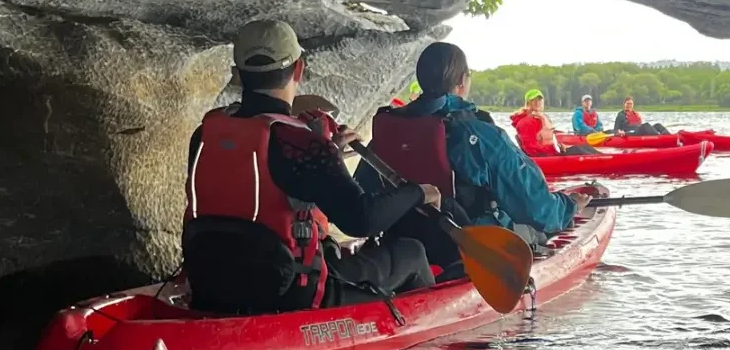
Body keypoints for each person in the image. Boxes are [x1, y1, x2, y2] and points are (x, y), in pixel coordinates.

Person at [182, 19, 442, 314]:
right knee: (412, 252)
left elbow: (265, 180)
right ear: (298, 69)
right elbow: (362, 220)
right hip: (289, 296)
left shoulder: (206, 134)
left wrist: (330, 154)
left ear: (237, 75)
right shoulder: (299, 143)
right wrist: (419, 192)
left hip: (212, 287)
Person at [355, 44, 592, 258]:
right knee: (538, 230)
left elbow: (362, 198)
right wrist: (569, 205)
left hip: (404, 239)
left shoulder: (389, 127)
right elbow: (537, 209)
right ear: (461, 81)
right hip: (466, 244)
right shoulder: (478, 133)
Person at [513, 89, 601, 156]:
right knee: (579, 150)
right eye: (533, 100)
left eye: (539, 100)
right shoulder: (524, 123)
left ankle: (605, 157)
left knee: (585, 147)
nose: (537, 102)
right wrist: (553, 149)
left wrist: (558, 146)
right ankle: (606, 161)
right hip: (544, 157)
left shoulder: (541, 117)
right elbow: (530, 150)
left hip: (552, 152)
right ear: (527, 103)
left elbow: (548, 137)